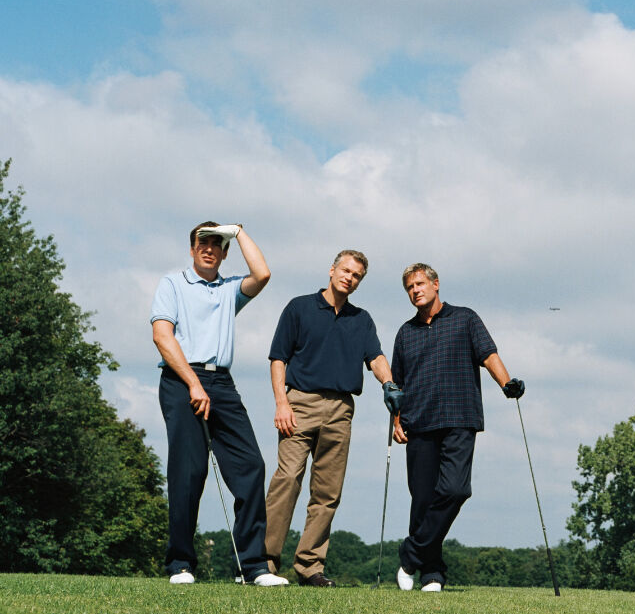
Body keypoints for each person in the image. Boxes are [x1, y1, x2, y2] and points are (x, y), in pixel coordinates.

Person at [150, 222, 289, 586]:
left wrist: (239, 232)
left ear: (224, 252)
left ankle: (254, 567)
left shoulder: (230, 289)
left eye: (217, 244)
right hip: (182, 380)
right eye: (203, 242)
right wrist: (194, 384)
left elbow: (263, 273)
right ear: (192, 248)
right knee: (189, 472)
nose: (209, 248)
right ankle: (180, 563)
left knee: (251, 466)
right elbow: (162, 336)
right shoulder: (173, 284)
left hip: (222, 383)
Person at [263, 250, 404, 587]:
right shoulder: (299, 307)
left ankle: (310, 567)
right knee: (287, 480)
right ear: (332, 269)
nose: (349, 278)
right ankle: (263, 563)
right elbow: (278, 359)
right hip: (300, 403)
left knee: (327, 492)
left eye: (356, 275)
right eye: (345, 270)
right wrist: (281, 403)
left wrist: (389, 383)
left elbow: (376, 357)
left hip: (341, 409)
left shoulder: (362, 319)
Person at [391, 263, 524, 592]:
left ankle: (411, 555)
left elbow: (488, 354)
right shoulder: (405, 332)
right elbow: (398, 384)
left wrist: (506, 383)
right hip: (418, 423)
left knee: (455, 490)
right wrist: (396, 420)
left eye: (420, 284)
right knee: (422, 500)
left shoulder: (465, 318)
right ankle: (432, 574)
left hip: (460, 417)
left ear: (436, 284)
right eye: (410, 287)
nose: (415, 291)